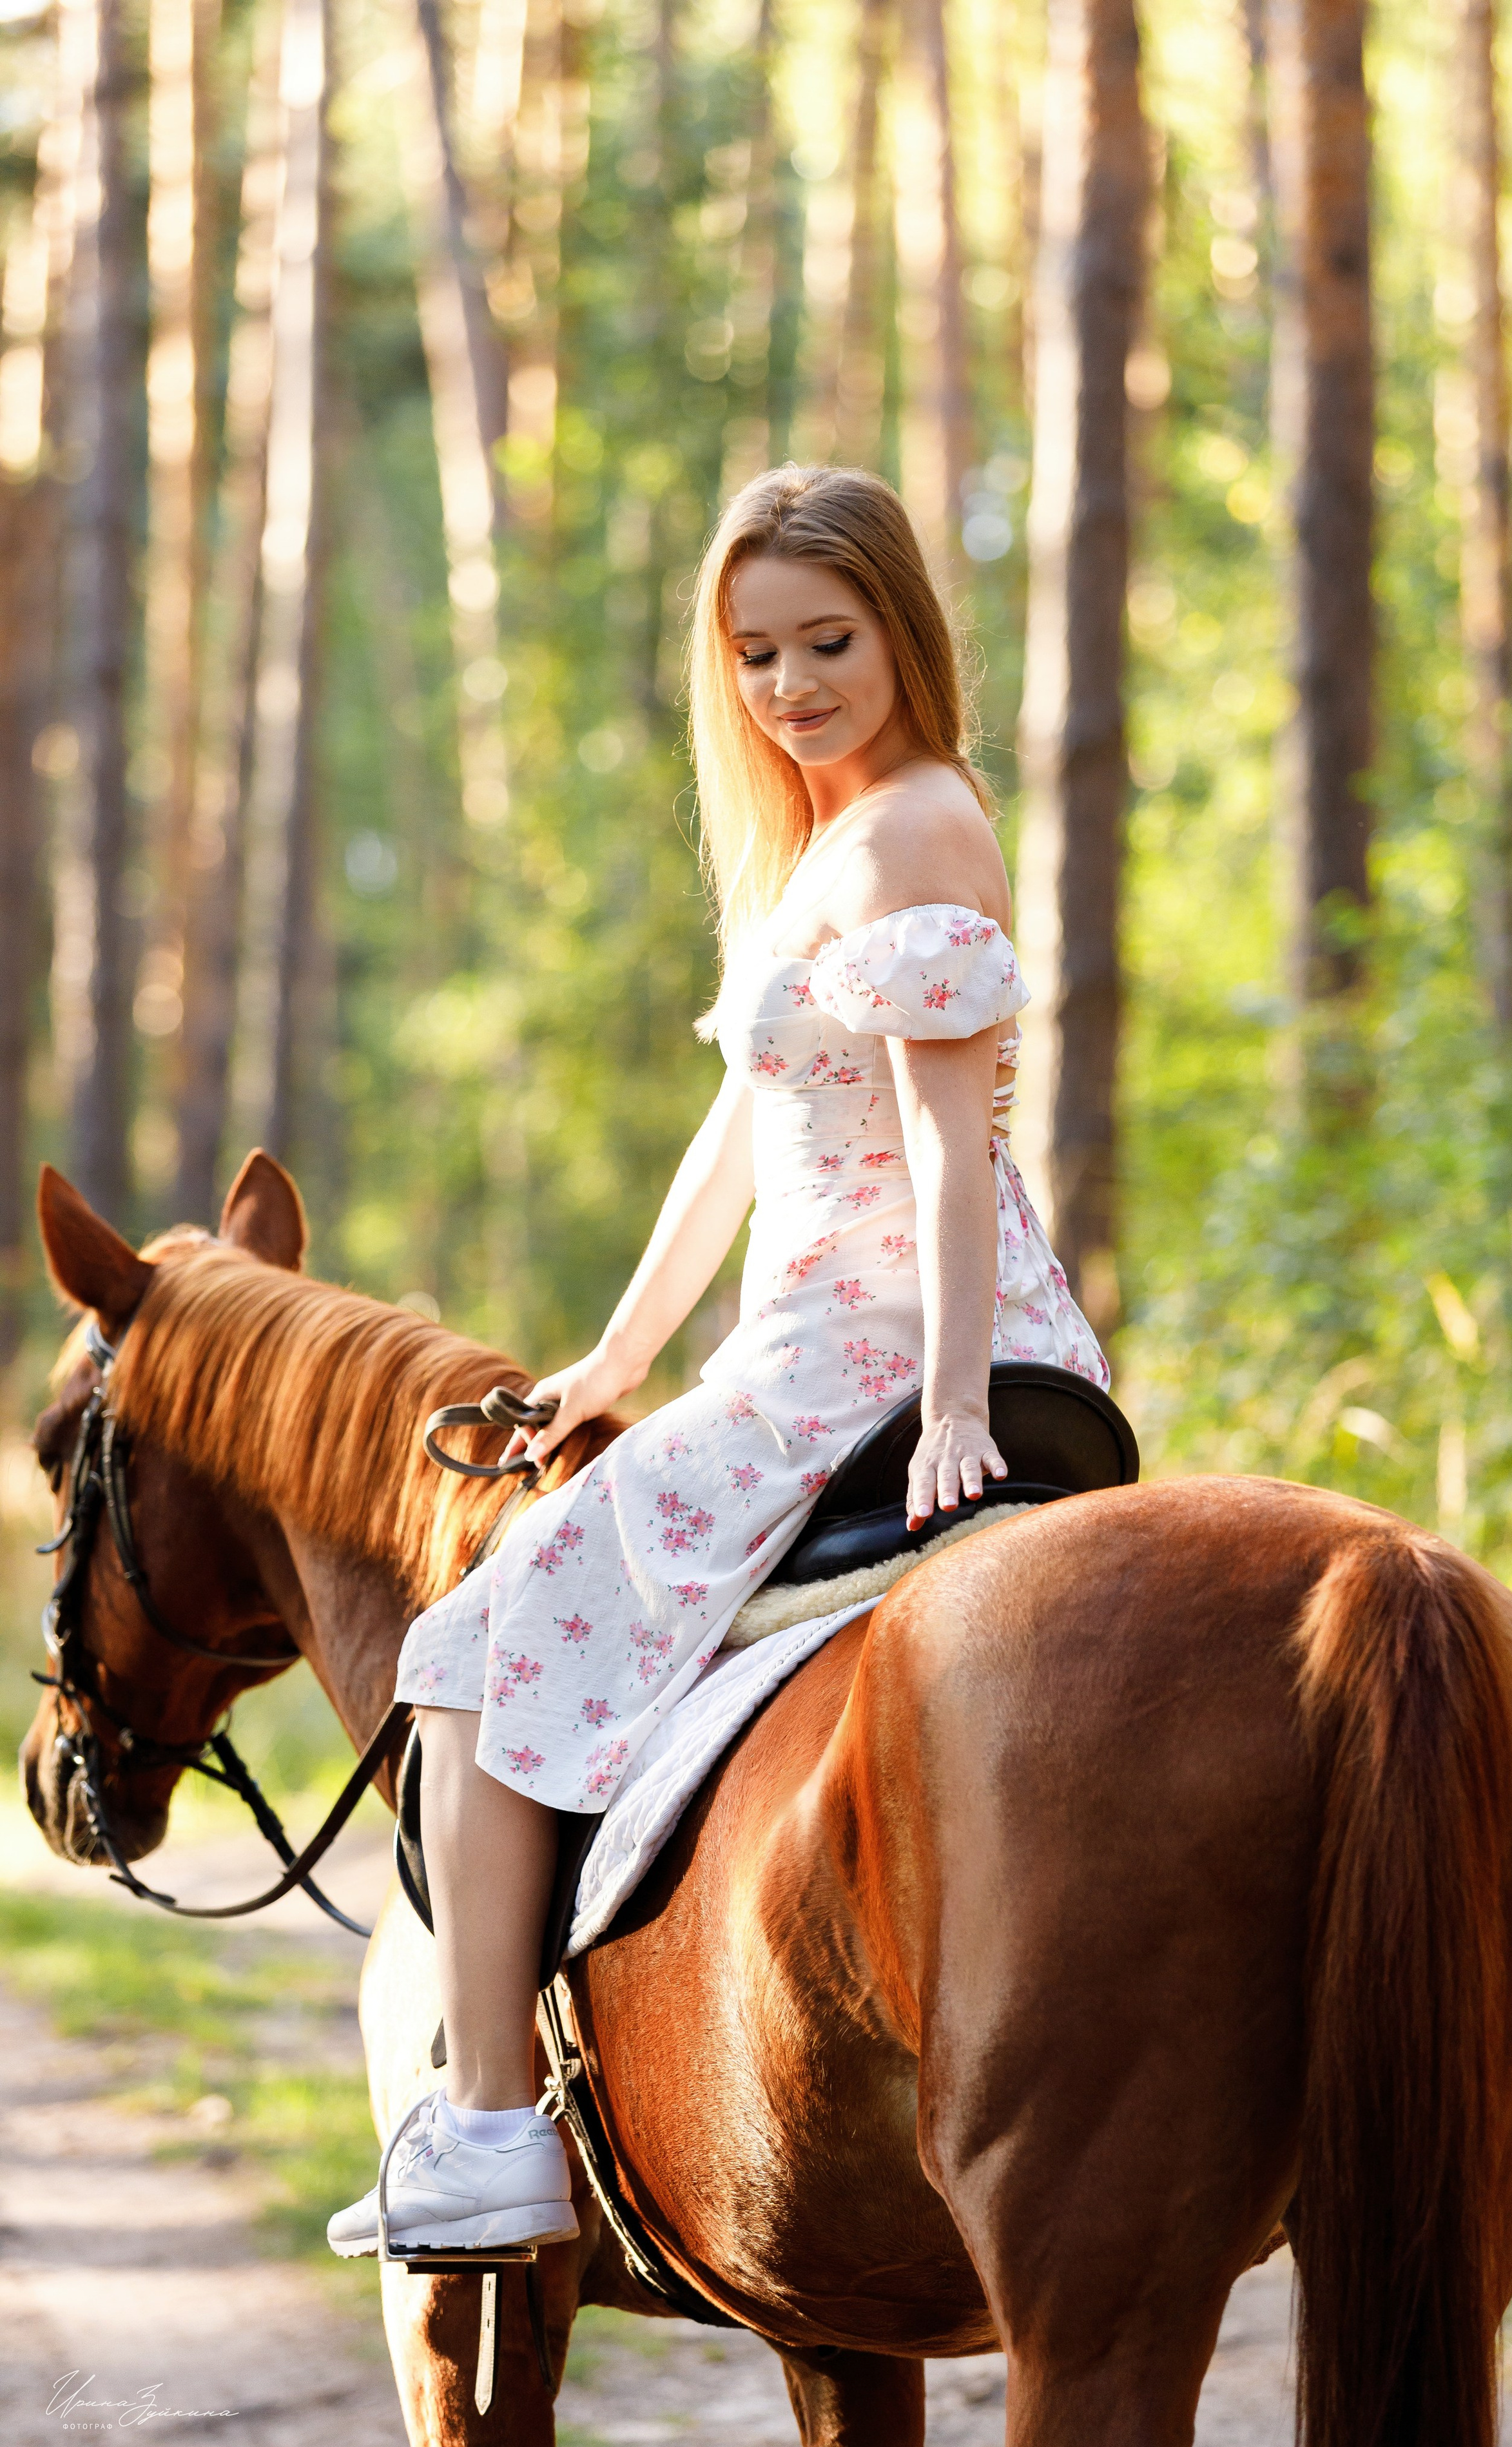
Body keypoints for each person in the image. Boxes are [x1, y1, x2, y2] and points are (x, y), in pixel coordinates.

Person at [327, 465, 1109, 2258]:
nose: (788, 685)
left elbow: (946, 1140)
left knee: (469, 1642)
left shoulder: (911, 828)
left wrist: (961, 1398)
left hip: (871, 1341)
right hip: (821, 1328)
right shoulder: (832, 840)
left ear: (906, 629)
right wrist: (613, 1358)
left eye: (827, 642)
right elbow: (738, 1139)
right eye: (754, 653)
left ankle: (492, 2122)